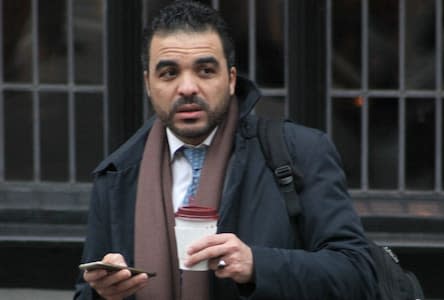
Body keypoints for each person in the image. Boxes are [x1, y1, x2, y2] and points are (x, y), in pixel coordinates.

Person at [74, 1, 377, 299]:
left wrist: (257, 265)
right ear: (148, 84)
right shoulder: (117, 175)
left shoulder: (300, 151)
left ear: (231, 79)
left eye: (205, 70)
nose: (188, 87)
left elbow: (357, 274)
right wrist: (102, 294)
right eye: (169, 73)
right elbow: (85, 292)